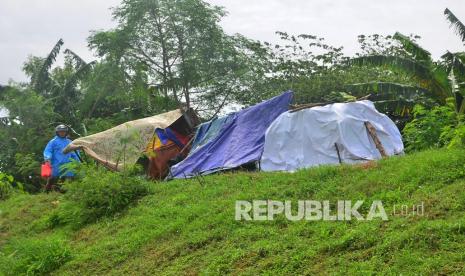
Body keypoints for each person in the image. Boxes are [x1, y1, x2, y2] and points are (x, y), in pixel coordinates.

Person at [43, 124, 80, 191]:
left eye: (64, 131)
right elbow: (48, 151)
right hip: (56, 164)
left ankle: (65, 193)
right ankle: (46, 191)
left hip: (68, 164)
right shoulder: (53, 142)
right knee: (52, 179)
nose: (62, 133)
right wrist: (47, 158)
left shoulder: (70, 142)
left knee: (69, 179)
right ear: (57, 132)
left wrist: (77, 161)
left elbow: (75, 153)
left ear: (66, 132)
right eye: (60, 132)